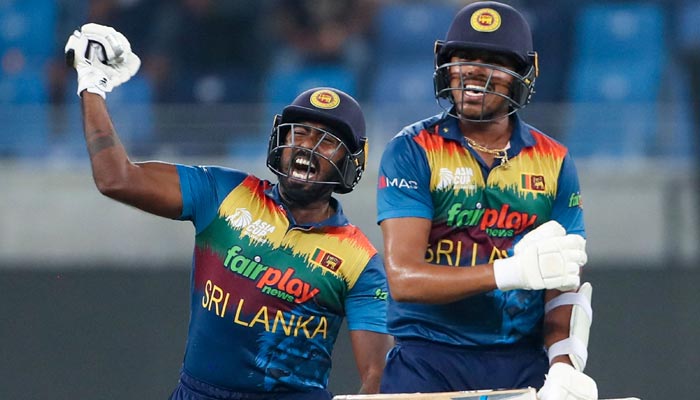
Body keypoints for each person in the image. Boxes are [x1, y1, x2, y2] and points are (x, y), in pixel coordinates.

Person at [64, 23, 392, 400]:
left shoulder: (359, 262)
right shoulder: (224, 193)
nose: (307, 147)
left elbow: (377, 378)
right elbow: (116, 179)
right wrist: (92, 85)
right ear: (279, 142)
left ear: (351, 163)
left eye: (327, 141)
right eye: (298, 133)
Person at [376, 2, 597, 400]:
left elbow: (563, 280)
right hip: (427, 358)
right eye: (464, 57)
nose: (475, 70)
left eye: (494, 60)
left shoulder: (555, 161)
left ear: (522, 76)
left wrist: (564, 364)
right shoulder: (412, 150)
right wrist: (510, 272)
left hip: (521, 359)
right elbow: (404, 279)